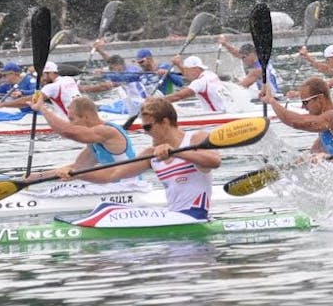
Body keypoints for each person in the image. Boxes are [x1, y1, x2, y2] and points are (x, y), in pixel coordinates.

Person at [50, 97, 220, 219]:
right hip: (175, 217)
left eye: (148, 127)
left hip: (196, 216)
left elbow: (214, 161)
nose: (145, 132)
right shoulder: (151, 154)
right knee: (107, 209)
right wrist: (77, 173)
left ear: (165, 122)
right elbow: (112, 174)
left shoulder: (195, 138)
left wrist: (176, 152)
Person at [26, 95, 148, 192]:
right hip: (113, 188)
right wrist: (37, 177)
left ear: (86, 117)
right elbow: (77, 168)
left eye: (72, 119)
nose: (71, 124)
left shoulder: (107, 131)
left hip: (129, 188)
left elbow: (68, 132)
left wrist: (42, 108)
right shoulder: (95, 142)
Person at [260, 76, 333, 155]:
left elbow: (297, 123)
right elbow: (312, 154)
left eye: (305, 102)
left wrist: (271, 101)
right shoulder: (326, 125)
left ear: (320, 98)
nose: (303, 107)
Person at [219, 35, 284, 94]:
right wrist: (225, 44)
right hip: (275, 94)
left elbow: (239, 87)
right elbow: (237, 53)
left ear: (251, 54)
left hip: (270, 98)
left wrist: (222, 86)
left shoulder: (257, 70)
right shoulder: (263, 59)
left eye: (244, 58)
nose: (242, 60)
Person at [163, 55, 229, 112]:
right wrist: (178, 64)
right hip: (225, 111)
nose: (185, 73)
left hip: (216, 117)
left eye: (187, 70)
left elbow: (177, 96)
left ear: (195, 69)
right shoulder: (211, 74)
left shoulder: (200, 82)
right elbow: (189, 76)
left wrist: (158, 101)